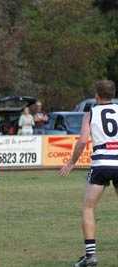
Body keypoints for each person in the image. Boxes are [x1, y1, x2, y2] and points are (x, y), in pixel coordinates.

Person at [59, 80, 118, 267]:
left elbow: (83, 140)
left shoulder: (91, 113)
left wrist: (71, 162)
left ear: (96, 96)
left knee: (88, 208)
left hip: (100, 163)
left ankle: (91, 256)